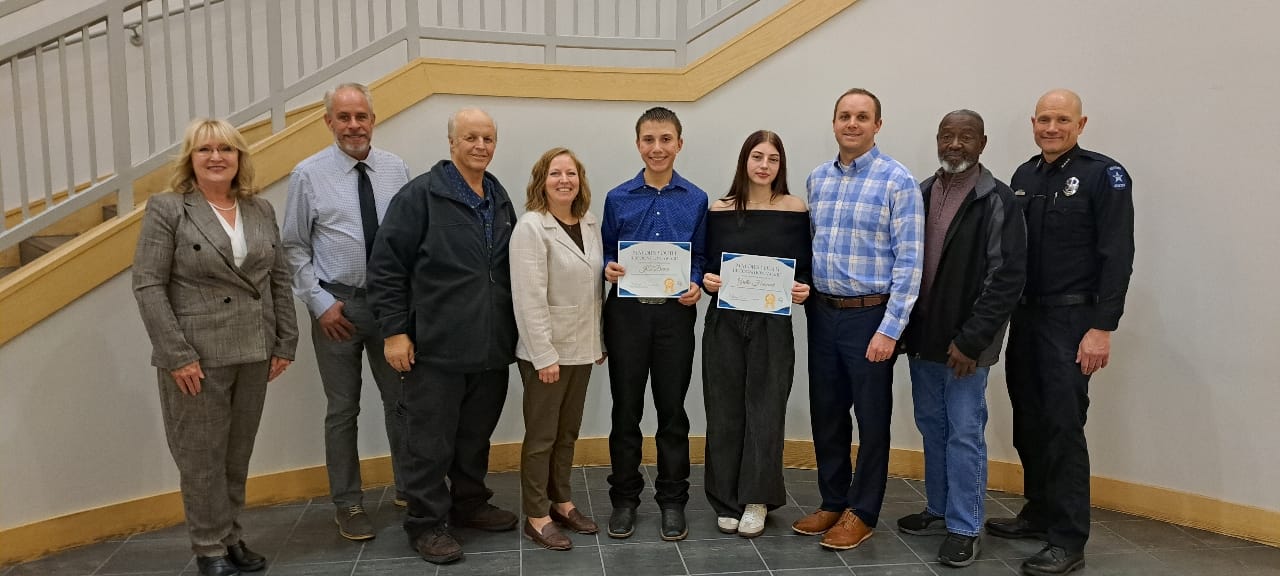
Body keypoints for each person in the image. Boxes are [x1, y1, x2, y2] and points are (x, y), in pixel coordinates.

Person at [133, 118, 298, 576]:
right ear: (190, 158)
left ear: (240, 157)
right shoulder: (168, 209)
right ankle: (208, 547)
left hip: (255, 348)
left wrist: (286, 339)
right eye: (204, 149)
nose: (216, 157)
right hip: (196, 356)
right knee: (200, 457)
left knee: (236, 453)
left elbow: (279, 278)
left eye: (226, 148)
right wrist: (176, 355)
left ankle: (231, 536)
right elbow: (148, 285)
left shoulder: (260, 209)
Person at [985, 89, 1134, 576]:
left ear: (1081, 123)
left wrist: (1102, 328)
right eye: (1044, 119)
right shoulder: (1023, 176)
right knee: (1027, 418)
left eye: (1062, 119)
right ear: (1033, 122)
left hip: (1072, 321)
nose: (1052, 127)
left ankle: (1068, 538)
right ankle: (1039, 510)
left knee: (1064, 427)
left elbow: (1117, 254)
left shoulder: (1103, 176)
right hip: (1025, 317)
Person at [366, 107, 519, 565]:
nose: (480, 146)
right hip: (435, 345)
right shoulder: (420, 197)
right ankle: (426, 523)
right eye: (470, 137)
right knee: (429, 441)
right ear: (452, 143)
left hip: (490, 345)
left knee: (475, 435)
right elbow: (387, 266)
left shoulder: (498, 196)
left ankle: (469, 503)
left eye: (488, 138)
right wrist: (395, 332)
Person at [791, 88, 923, 551]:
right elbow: (808, 245)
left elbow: (910, 262)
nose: (852, 123)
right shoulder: (816, 181)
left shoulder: (897, 181)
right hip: (823, 314)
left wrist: (891, 328)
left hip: (870, 318)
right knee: (826, 413)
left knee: (871, 418)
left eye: (862, 117)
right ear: (833, 123)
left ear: (877, 125)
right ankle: (832, 500)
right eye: (845, 116)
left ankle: (861, 511)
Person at [281, 82, 411, 541]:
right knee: (343, 409)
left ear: (373, 120)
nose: (353, 125)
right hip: (337, 307)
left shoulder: (396, 170)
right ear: (329, 122)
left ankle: (409, 488)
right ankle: (349, 503)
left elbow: (408, 241)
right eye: (344, 117)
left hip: (389, 305)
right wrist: (320, 304)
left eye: (361, 116)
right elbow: (293, 248)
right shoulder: (307, 175)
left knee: (401, 403)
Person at [896, 110, 1026, 567]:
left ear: (982, 143)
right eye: (947, 135)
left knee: (965, 433)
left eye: (965, 136)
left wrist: (972, 341)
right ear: (937, 140)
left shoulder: (997, 200)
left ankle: (965, 526)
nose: (955, 144)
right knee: (933, 427)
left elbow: (1006, 278)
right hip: (924, 340)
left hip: (966, 349)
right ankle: (938, 507)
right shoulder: (922, 192)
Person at [601, 106, 707, 541]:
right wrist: (608, 267)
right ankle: (624, 500)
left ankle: (672, 501)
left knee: (672, 412)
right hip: (626, 314)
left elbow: (700, 256)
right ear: (638, 144)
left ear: (679, 144)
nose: (657, 148)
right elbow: (605, 252)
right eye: (649, 139)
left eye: (666, 139)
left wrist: (697, 282)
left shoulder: (696, 199)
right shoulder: (617, 197)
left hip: (674, 316)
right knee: (625, 411)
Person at [699, 130, 810, 538]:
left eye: (773, 159)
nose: (764, 165)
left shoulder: (795, 208)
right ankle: (725, 498)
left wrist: (803, 286)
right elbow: (709, 263)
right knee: (724, 408)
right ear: (744, 160)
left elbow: (804, 268)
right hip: (725, 320)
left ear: (781, 166)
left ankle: (757, 499)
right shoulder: (720, 208)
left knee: (765, 410)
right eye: (757, 156)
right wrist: (708, 279)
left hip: (772, 323)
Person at [510, 147, 606, 550]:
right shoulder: (531, 227)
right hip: (545, 353)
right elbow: (527, 297)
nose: (564, 179)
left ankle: (561, 501)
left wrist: (597, 341)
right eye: (555, 173)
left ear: (580, 180)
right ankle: (536, 514)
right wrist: (544, 355)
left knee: (567, 433)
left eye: (571, 173)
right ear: (541, 181)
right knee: (542, 436)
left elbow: (593, 287)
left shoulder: (588, 221)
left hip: (582, 347)